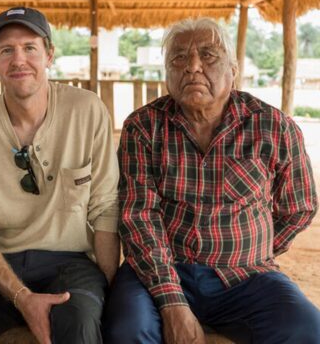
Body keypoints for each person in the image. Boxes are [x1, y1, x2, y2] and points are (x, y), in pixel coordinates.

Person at [103, 17, 320, 344]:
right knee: (127, 331)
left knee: (306, 330)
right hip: (161, 269)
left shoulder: (273, 126)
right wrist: (172, 300)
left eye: (208, 56)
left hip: (246, 277)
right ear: (167, 73)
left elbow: (299, 208)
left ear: (233, 70)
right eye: (178, 58)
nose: (192, 67)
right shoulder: (144, 126)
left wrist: (254, 249)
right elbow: (139, 216)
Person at [0, 7, 120, 344]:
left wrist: (108, 287)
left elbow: (105, 207)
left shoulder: (87, 111)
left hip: (71, 260)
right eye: (7, 51)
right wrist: (21, 296)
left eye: (29, 48)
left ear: (49, 55)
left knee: (81, 318)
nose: (19, 60)